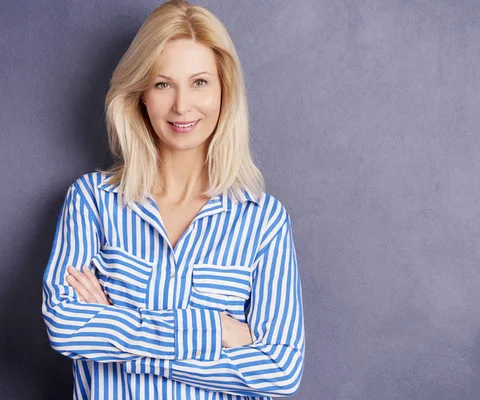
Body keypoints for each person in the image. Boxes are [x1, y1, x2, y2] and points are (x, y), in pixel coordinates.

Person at [41, 1, 305, 398]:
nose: (182, 105)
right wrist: (216, 330)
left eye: (199, 82)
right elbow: (63, 325)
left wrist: (113, 326)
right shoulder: (91, 201)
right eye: (163, 84)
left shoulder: (264, 221)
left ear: (224, 92)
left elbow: (281, 372)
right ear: (141, 94)